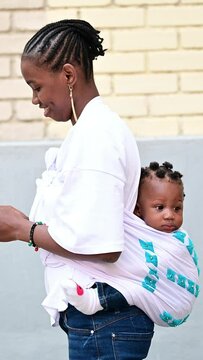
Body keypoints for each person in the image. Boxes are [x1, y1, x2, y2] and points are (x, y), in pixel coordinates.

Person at [0, 19, 154, 360]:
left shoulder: (96, 136)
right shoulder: (90, 131)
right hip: (102, 322)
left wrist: (22, 230)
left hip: (106, 323)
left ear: (68, 75)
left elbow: (102, 245)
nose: (34, 99)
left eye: (36, 86)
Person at [42, 161, 200, 328]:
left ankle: (95, 301)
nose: (170, 215)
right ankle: (94, 301)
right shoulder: (131, 231)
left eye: (177, 208)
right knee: (135, 290)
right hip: (148, 296)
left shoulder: (180, 240)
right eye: (160, 207)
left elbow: (186, 269)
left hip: (176, 301)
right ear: (139, 210)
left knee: (138, 288)